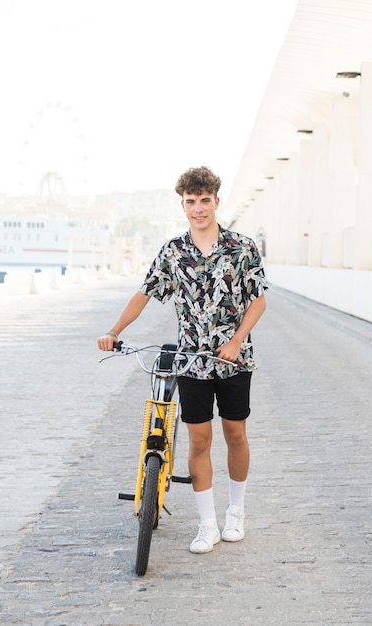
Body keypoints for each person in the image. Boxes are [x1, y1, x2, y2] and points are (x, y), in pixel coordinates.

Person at [97, 166, 267, 554]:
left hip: (234, 360)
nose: (198, 209)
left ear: (216, 202)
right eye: (190, 202)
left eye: (204, 201)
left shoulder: (242, 247)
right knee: (199, 439)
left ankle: (235, 512)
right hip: (191, 361)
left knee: (235, 433)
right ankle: (207, 525)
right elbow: (145, 293)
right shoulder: (173, 252)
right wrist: (114, 330)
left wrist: (237, 341)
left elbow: (258, 299)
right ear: (183, 205)